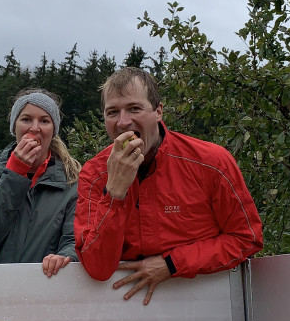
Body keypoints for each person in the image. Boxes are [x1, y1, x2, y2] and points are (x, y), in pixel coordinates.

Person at [74, 67, 263, 303]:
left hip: (207, 305)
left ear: (158, 111)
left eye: (134, 108)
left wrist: (172, 264)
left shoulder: (211, 162)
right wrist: (115, 193)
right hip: (121, 310)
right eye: (113, 112)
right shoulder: (93, 172)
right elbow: (98, 267)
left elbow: (247, 238)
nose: (123, 122)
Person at [0, 89, 80, 277]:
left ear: (53, 130)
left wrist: (64, 257)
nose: (34, 128)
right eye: (26, 119)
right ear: (14, 127)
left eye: (44, 121)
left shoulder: (72, 180)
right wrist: (15, 173)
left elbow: (74, 241)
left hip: (42, 287)